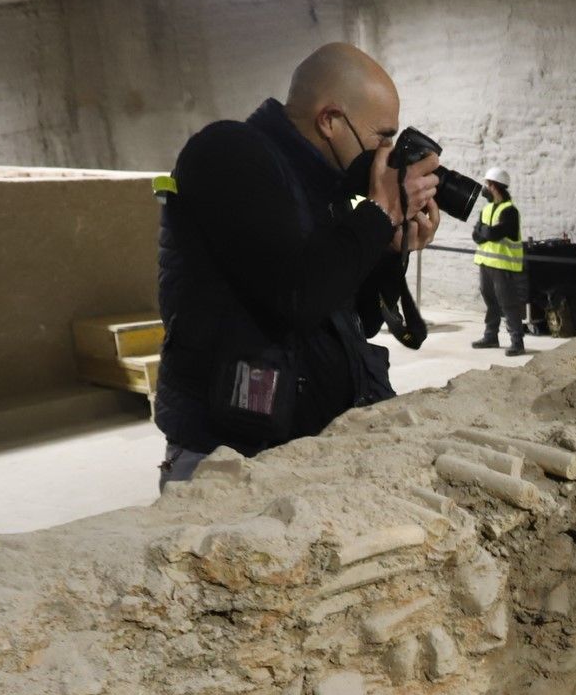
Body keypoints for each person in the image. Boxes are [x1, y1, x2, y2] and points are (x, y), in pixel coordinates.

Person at [151, 42, 440, 487]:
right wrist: (378, 213)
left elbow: (354, 318)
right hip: (233, 457)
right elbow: (298, 297)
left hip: (307, 442)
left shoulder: (329, 189)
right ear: (329, 120)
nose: (387, 151)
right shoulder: (230, 153)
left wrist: (388, 248)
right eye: (382, 136)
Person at [470, 167, 528, 357]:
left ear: (494, 186)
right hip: (485, 264)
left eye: (487, 184)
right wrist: (485, 231)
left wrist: (484, 231)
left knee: (508, 303)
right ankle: (491, 337)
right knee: (491, 302)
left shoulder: (510, 211)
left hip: (504, 267)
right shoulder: (486, 209)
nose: (485, 188)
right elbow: (477, 235)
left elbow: (492, 234)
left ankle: (517, 342)